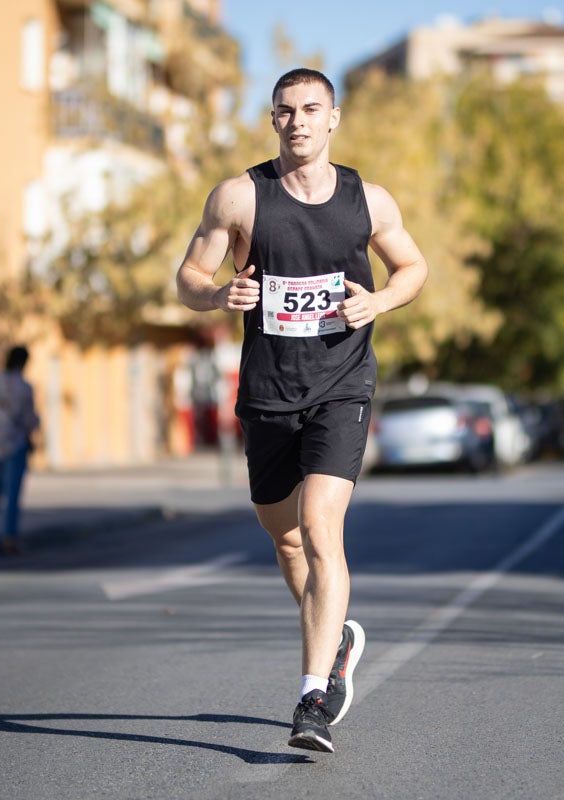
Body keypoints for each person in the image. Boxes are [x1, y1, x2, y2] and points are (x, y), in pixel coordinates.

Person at [176, 67, 428, 753]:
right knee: (284, 537)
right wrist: (215, 297)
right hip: (267, 393)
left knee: (321, 530)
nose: (299, 122)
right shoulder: (239, 197)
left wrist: (378, 302)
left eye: (312, 109)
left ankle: (312, 696)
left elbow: (414, 269)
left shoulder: (366, 201)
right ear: (273, 119)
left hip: (342, 388)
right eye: (286, 111)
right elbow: (190, 276)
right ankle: (337, 634)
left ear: (334, 118)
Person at [0, 345, 40, 556]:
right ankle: (10, 537)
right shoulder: (24, 387)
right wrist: (32, 437)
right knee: (13, 490)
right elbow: (29, 419)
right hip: (15, 441)